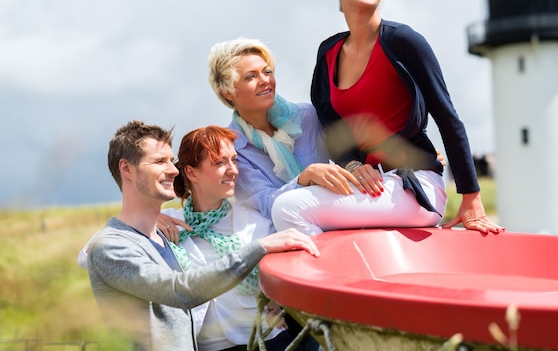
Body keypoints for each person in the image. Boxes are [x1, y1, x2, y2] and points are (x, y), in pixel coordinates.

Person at [306, 0, 504, 235]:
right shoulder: (328, 52)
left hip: (416, 185)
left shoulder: (404, 42)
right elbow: (329, 120)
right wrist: (351, 164)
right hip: (371, 186)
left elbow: (447, 117)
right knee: (292, 206)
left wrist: (471, 198)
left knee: (291, 208)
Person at [81, 120, 318, 351]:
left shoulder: (162, 236)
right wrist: (258, 248)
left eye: (234, 160)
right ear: (126, 169)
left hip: (265, 341)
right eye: (160, 161)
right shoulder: (144, 236)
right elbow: (179, 290)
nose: (173, 169)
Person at [206, 38, 472, 237]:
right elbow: (265, 203)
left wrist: (415, 151)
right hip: (287, 229)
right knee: (284, 210)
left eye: (267, 71)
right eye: (251, 77)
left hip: (334, 209)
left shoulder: (308, 116)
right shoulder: (233, 150)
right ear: (227, 91)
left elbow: (356, 143)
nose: (265, 81)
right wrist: (303, 178)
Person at [160, 125, 310, 351]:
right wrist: (147, 220)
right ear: (191, 173)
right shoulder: (166, 223)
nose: (233, 170)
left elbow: (291, 278)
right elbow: (93, 252)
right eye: (219, 163)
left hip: (263, 341)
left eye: (234, 160)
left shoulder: (256, 223)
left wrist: (277, 304)